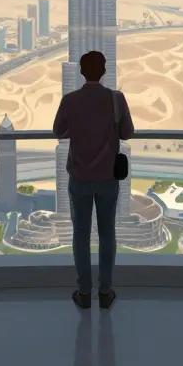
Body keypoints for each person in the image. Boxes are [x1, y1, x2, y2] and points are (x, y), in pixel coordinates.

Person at [53, 50, 134, 309]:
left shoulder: (70, 100)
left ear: (80, 71)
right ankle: (106, 291)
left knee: (81, 235)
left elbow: (58, 131)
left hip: (79, 177)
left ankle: (84, 292)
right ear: (104, 71)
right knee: (107, 233)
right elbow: (128, 133)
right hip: (108, 177)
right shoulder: (116, 99)